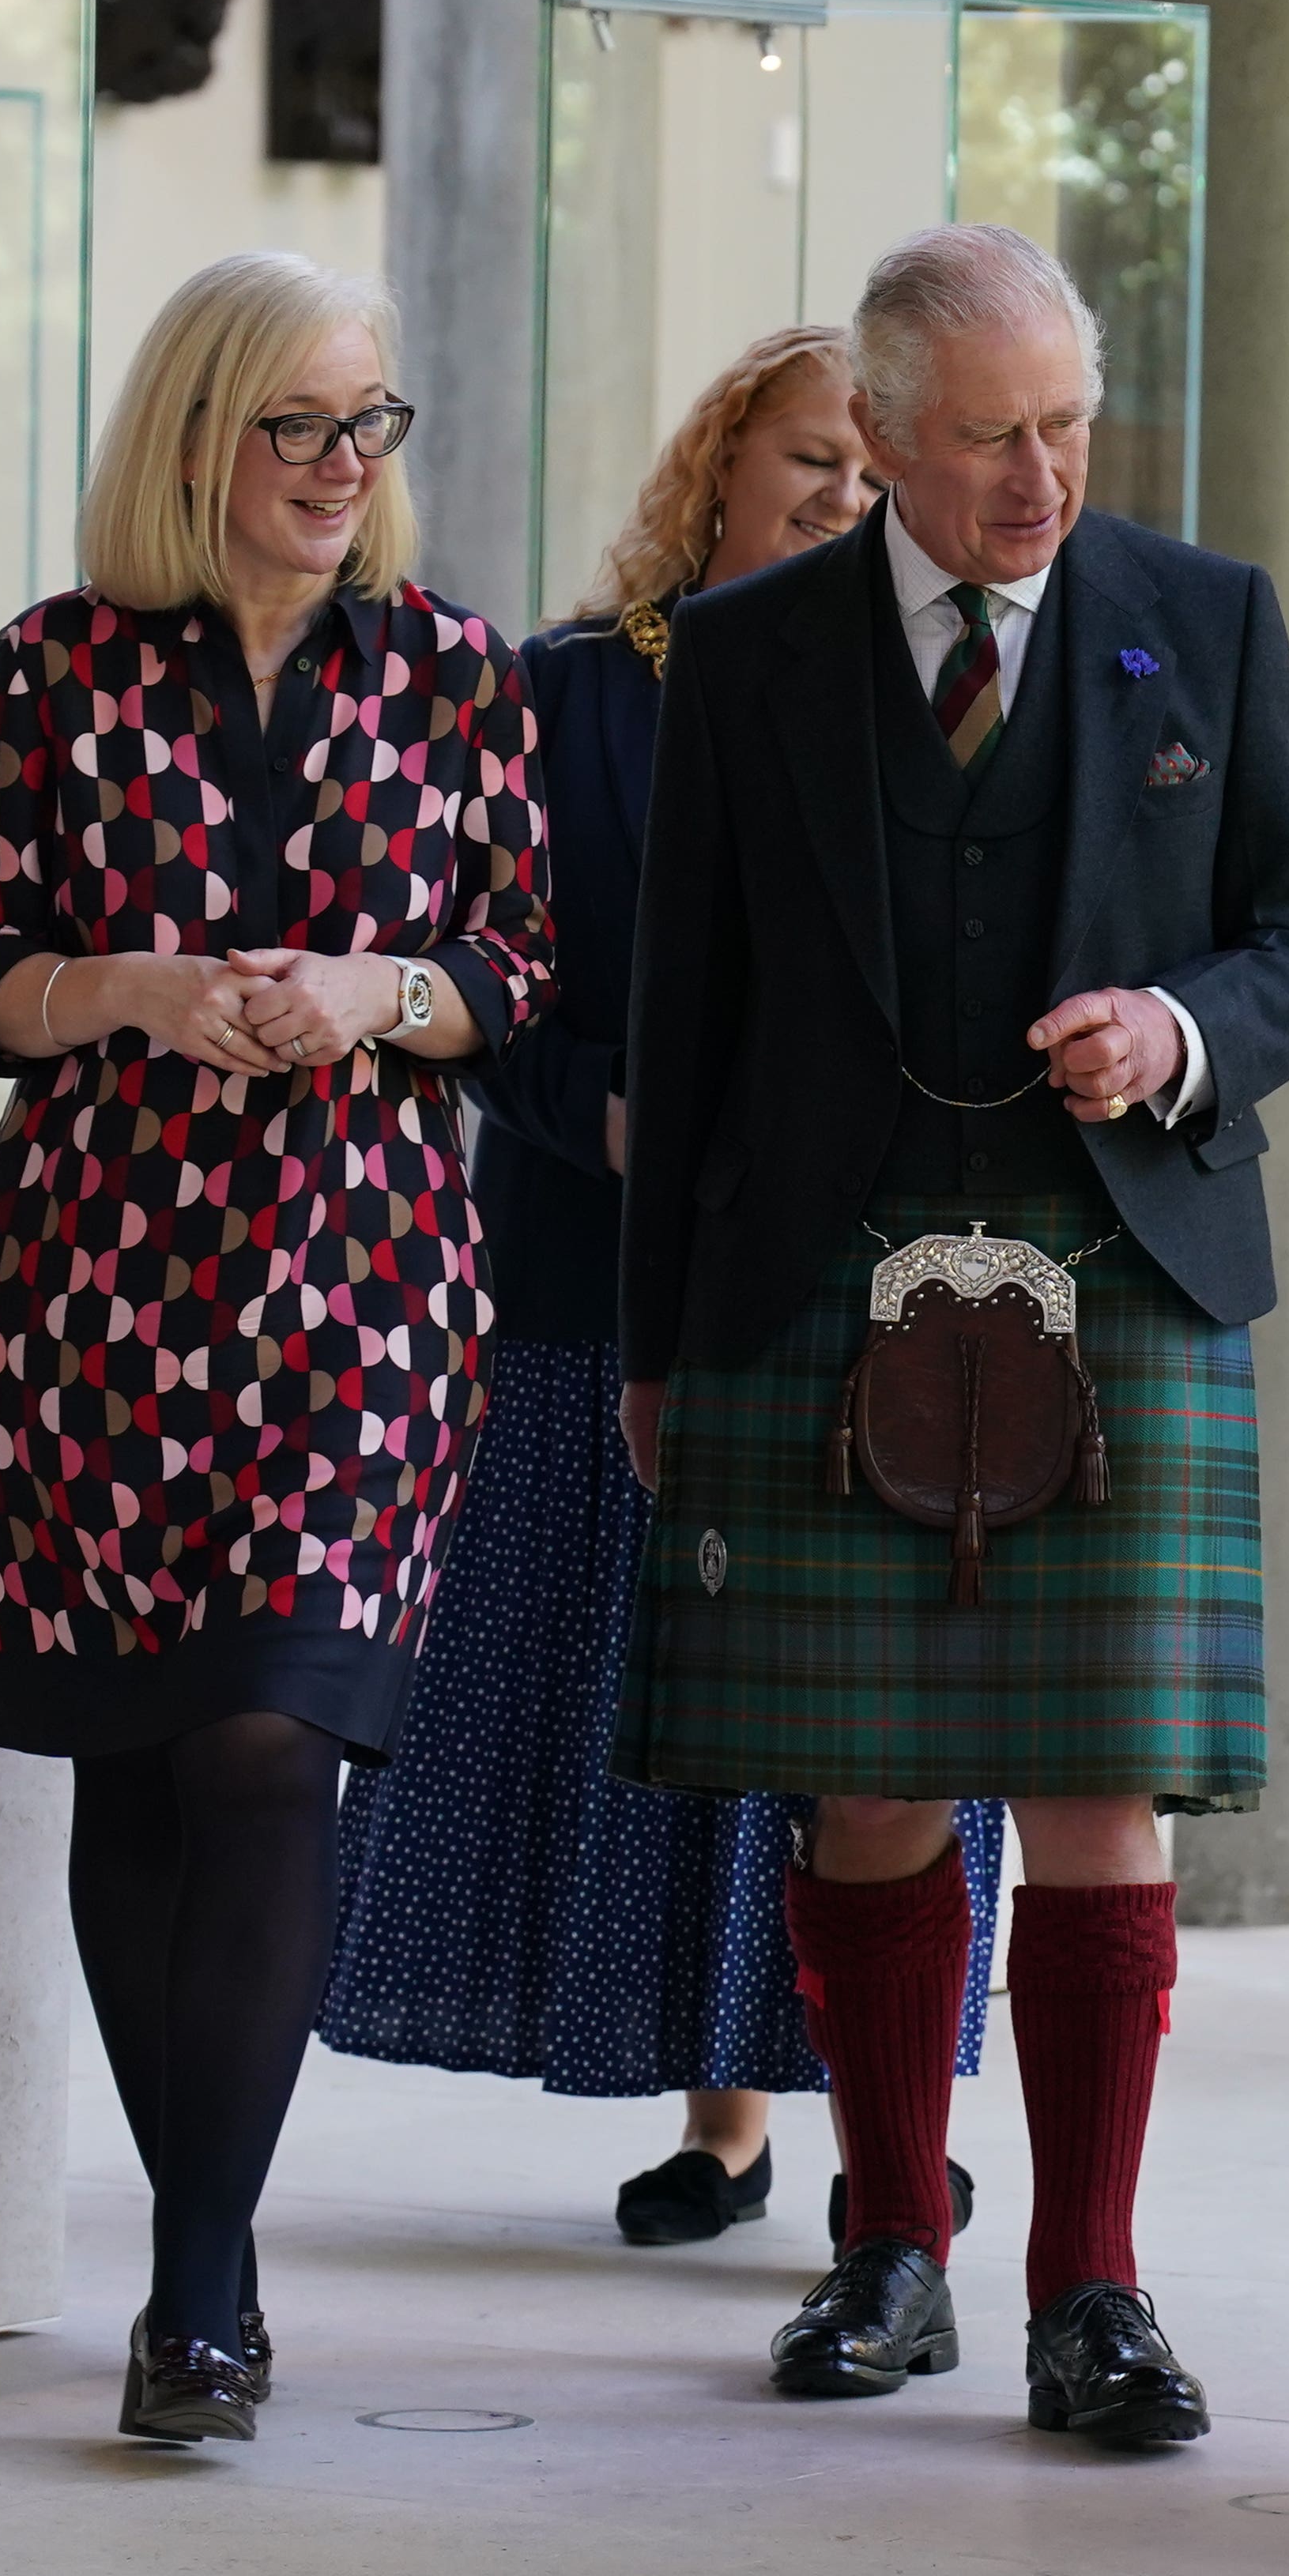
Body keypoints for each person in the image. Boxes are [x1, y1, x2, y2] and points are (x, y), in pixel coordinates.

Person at [618, 224, 1289, 2448]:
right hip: (817, 1277)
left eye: (1066, 425)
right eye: (987, 439)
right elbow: (690, 1006)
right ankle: (888, 2246)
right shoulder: (747, 653)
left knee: (1095, 1790)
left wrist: (1177, 1027)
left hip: (1115, 1256)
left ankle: (1096, 2286)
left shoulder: (1201, 619)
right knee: (864, 1786)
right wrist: (663, 1338)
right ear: (875, 440)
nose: (1041, 476)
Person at [0, 252, 548, 2447]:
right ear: (195, 438)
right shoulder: (59, 668)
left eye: (370, 422)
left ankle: (198, 2275)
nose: (340, 466)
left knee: (274, 1731)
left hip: (364, 1285)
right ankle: (214, 2249)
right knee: (139, 1753)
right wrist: (129, 987)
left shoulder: (457, 668)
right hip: (91, 1285)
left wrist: (381, 995)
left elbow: (519, 968)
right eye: (297, 425)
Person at [318, 328, 1008, 2245]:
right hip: (592, 1287)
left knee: (865, 1724)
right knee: (665, 1709)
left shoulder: (940, 692)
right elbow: (462, 985)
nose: (840, 504)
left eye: (874, 481)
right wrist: (605, 1119)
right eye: (809, 461)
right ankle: (727, 2120)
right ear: (717, 465)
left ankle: (877, 2115)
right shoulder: (558, 699)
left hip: (873, 1290)